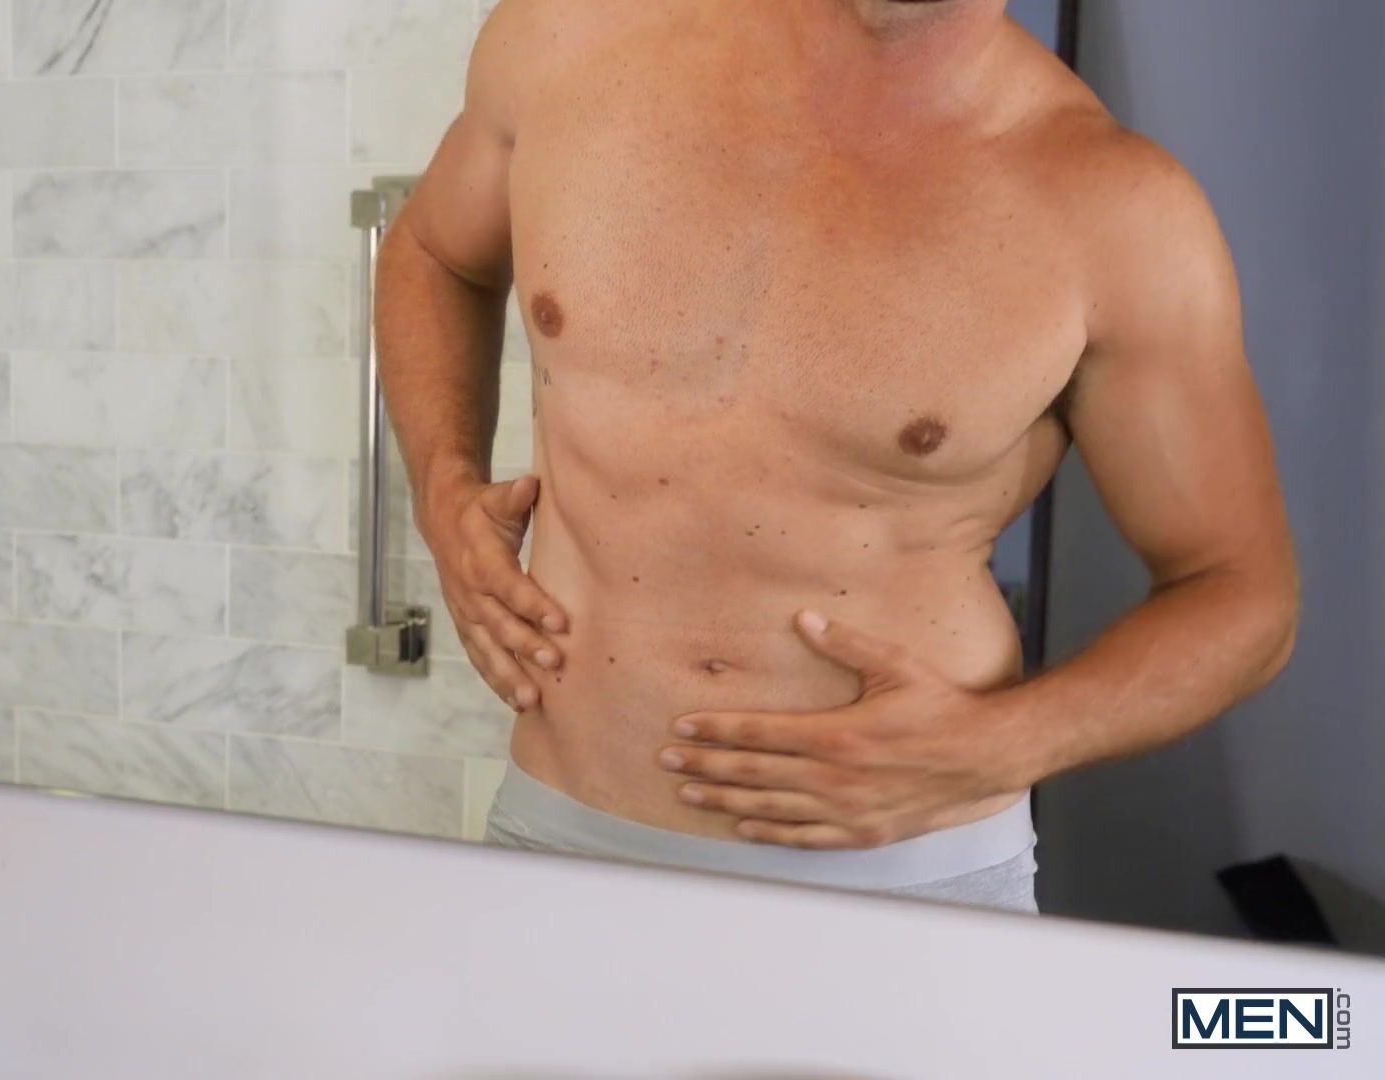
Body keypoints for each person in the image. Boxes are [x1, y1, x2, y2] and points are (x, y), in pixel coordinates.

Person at [374, 0, 1299, 913]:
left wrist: (1001, 745)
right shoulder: (567, 35)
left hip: (912, 878)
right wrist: (444, 491)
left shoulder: (1118, 211)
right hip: (563, 834)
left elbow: (1240, 595)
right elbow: (432, 252)